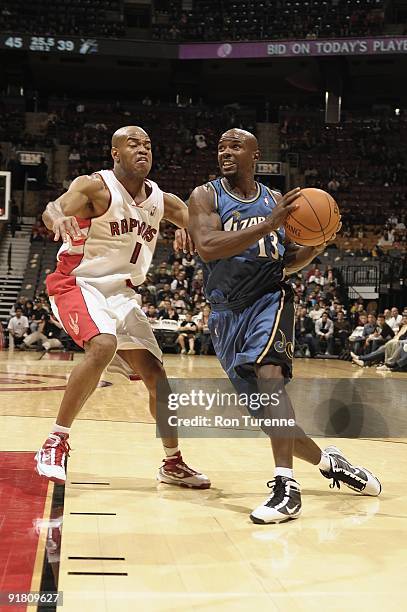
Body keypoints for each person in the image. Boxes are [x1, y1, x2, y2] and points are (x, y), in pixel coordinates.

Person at [188, 128, 380, 524]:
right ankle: (330, 462)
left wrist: (317, 243)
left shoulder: (276, 200)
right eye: (221, 146)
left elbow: (284, 259)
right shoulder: (206, 196)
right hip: (226, 313)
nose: (225, 151)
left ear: (255, 154)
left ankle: (285, 487)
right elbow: (207, 246)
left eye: (235, 146)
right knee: (269, 416)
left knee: (270, 376)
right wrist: (267, 224)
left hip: (269, 298)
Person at [35, 125, 210, 490]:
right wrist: (58, 219)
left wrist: (192, 228)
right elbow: (54, 208)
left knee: (160, 384)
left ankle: (172, 462)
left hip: (123, 295)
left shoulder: (161, 200)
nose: (142, 149)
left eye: (147, 144)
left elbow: (202, 223)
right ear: (116, 153)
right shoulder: (94, 187)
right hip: (78, 283)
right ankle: (55, 441)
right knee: (102, 344)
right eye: (133, 144)